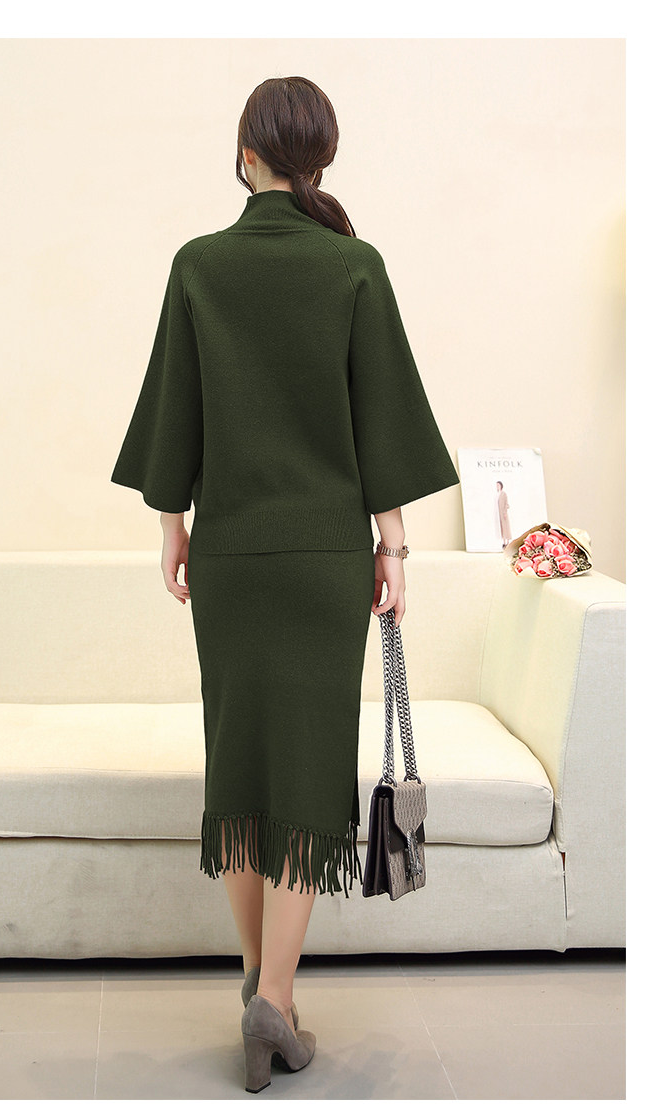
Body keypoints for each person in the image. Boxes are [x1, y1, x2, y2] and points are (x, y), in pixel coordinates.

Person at [110, 75, 459, 1093]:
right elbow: (382, 416)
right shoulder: (354, 265)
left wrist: (172, 529)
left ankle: (261, 991)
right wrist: (393, 549)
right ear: (322, 158)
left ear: (246, 154)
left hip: (230, 559)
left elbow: (174, 407)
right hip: (322, 566)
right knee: (305, 778)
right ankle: (275, 999)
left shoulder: (199, 265)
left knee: (240, 777)